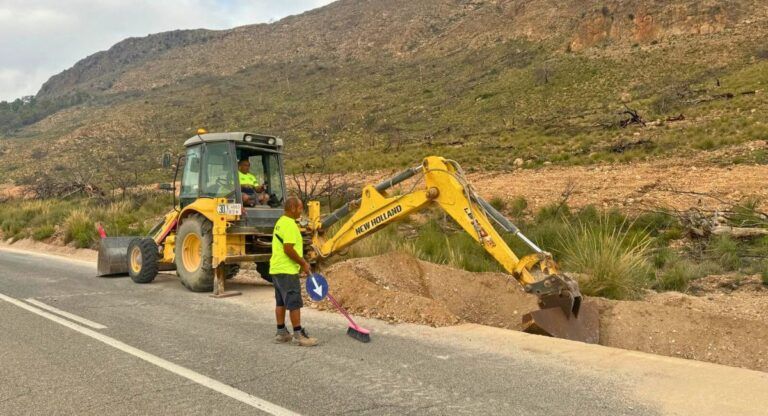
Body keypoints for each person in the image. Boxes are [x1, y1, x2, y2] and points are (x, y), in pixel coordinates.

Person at [270, 196, 318, 346]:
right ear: (292, 208)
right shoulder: (290, 225)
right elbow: (288, 248)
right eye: (299, 208)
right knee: (294, 302)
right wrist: (303, 263)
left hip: (276, 269)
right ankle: (299, 334)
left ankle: (281, 332)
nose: (301, 211)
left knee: (281, 302)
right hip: (287, 270)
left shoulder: (280, 222)